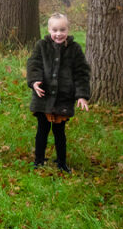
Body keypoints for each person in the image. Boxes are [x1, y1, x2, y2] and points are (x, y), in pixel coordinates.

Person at [26, 13, 90, 173]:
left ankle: (61, 162)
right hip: (43, 96)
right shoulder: (42, 45)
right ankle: (38, 160)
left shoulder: (74, 49)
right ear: (49, 30)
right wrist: (34, 82)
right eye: (55, 30)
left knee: (59, 132)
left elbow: (81, 72)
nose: (58, 33)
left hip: (63, 98)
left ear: (68, 29)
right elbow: (34, 64)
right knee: (42, 130)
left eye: (62, 29)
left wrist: (81, 95)